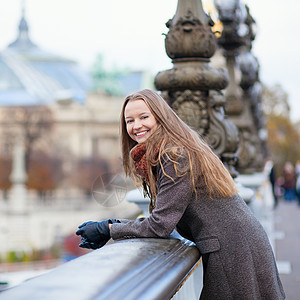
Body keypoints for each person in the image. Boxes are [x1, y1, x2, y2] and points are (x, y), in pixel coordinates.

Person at [76, 89, 285, 299]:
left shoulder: (174, 156)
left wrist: (108, 229)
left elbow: (160, 225)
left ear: (160, 117)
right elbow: (166, 215)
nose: (136, 125)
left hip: (232, 250)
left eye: (143, 117)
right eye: (129, 121)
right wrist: (114, 224)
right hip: (236, 243)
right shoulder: (175, 148)